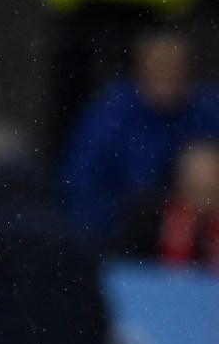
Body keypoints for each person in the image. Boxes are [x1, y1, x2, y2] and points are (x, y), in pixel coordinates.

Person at [59, 28, 219, 251]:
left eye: (174, 67)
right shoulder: (109, 116)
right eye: (159, 65)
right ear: (140, 68)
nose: (167, 74)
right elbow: (80, 186)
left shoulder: (207, 111)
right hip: (123, 236)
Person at [157, 139, 219, 272]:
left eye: (209, 192)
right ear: (181, 187)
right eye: (195, 190)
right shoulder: (153, 219)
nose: (202, 202)